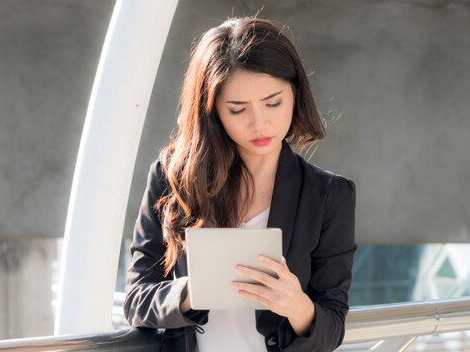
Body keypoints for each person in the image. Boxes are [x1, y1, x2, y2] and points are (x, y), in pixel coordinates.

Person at [124, 16, 356, 352]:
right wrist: (194, 291)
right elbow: (136, 302)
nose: (259, 123)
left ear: (295, 92)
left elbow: (332, 328)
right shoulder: (173, 178)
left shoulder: (329, 195)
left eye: (273, 103)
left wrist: (295, 304)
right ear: (212, 110)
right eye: (237, 109)